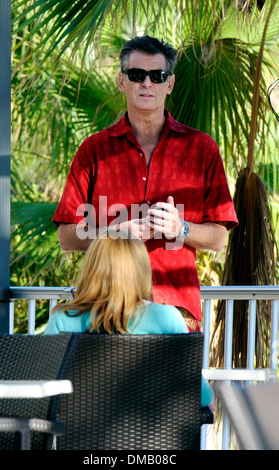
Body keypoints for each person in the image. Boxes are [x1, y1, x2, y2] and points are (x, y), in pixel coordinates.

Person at [52, 35, 238, 332]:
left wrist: (182, 229)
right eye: (137, 75)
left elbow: (218, 238)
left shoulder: (202, 149)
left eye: (157, 76)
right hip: (106, 309)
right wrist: (113, 233)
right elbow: (66, 236)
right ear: (122, 81)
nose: (147, 83)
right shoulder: (93, 151)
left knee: (177, 383)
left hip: (178, 312)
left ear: (170, 83)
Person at [44, 231, 215, 410]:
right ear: (142, 272)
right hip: (155, 435)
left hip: (80, 434)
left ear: (91, 269)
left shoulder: (63, 319)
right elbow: (203, 397)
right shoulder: (167, 319)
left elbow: (43, 387)